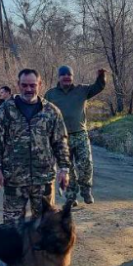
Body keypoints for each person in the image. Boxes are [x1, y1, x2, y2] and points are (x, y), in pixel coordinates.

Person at [0, 69, 71, 223]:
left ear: (40, 85)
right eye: (24, 85)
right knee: (12, 228)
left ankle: (38, 249)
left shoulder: (51, 111)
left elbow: (60, 142)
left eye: (32, 85)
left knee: (45, 225)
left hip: (43, 180)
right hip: (14, 179)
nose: (28, 89)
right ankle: (15, 248)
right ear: (18, 85)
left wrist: (64, 169)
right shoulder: (6, 110)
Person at [44, 66, 107, 206]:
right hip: (61, 138)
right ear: (59, 77)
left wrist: (101, 76)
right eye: (63, 75)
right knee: (67, 169)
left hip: (80, 134)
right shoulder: (51, 94)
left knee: (86, 164)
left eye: (69, 74)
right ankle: (71, 196)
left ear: (72, 76)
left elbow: (99, 87)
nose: (66, 77)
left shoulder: (82, 90)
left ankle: (86, 190)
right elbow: (43, 113)